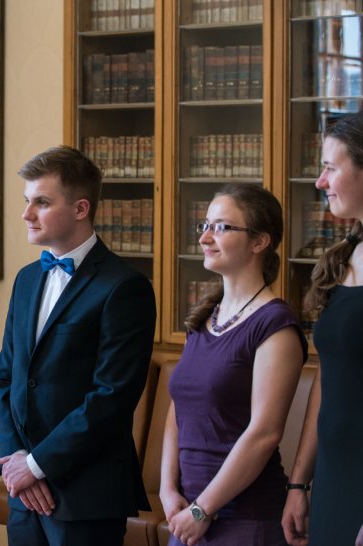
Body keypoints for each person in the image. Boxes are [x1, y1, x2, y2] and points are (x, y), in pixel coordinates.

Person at [0, 145, 156, 545]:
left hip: (87, 493)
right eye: (27, 201)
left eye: (42, 203)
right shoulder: (27, 279)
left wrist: (38, 464)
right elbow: (5, 380)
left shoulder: (123, 287)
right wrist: (18, 465)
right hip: (24, 491)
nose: (27, 214)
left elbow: (111, 398)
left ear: (81, 209)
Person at [160, 183, 307, 546]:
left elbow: (264, 433)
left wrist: (203, 509)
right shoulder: (205, 316)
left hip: (243, 518)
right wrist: (166, 488)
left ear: (259, 242)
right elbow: (178, 410)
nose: (206, 237)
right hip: (187, 513)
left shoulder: (275, 324)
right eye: (204, 225)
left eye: (221, 227)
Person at [282, 111, 363, 546]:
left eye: (330, 167)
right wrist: (299, 483)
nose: (319, 181)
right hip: (333, 477)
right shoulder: (343, 258)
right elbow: (327, 383)